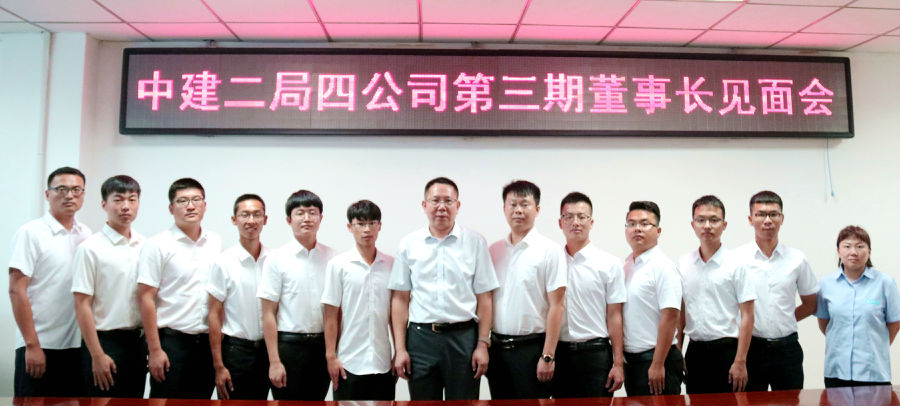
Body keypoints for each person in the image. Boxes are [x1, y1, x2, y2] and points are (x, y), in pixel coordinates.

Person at [388, 177, 499, 400]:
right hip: (421, 339)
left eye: (448, 201)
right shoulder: (409, 244)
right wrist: (400, 349)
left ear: (458, 205)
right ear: (424, 205)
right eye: (435, 200)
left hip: (463, 338)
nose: (441, 207)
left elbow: (485, 297)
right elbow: (400, 299)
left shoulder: (475, 242)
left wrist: (482, 344)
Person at [9, 167, 92, 397]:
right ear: (48, 194)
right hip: (39, 346)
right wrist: (31, 345)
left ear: (83, 194)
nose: (69, 195)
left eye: (76, 190)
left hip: (76, 346)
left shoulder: (86, 234)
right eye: (61, 189)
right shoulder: (30, 233)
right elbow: (16, 290)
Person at [137, 177, 223, 399]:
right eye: (183, 201)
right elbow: (145, 298)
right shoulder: (157, 245)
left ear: (205, 205)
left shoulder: (215, 242)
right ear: (171, 208)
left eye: (196, 200)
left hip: (206, 344)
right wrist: (154, 350)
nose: (190, 206)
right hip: (172, 343)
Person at [487, 180, 566, 399]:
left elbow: (557, 306)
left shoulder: (550, 250)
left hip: (532, 350)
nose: (518, 210)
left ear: (537, 209)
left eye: (524, 204)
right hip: (498, 350)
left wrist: (548, 355)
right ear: (504, 208)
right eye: (512, 204)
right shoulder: (493, 250)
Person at [734, 190, 818, 391]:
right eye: (761, 214)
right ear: (750, 219)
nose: (767, 220)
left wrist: (784, 318)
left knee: (790, 401)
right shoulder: (737, 258)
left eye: (773, 214)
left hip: (787, 349)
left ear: (782, 218)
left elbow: (811, 304)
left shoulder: (797, 259)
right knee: (748, 402)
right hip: (750, 348)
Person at [72, 175, 146, 397]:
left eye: (132, 199)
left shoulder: (145, 245)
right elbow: (82, 304)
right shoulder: (90, 248)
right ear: (104, 204)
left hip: (137, 343)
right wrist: (96, 355)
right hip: (104, 343)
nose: (126, 206)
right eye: (118, 199)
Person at [257, 190, 335, 400]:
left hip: (322, 347)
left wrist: (333, 353)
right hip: (288, 347)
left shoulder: (333, 258)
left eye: (312, 212)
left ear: (321, 218)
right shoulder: (276, 259)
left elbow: (335, 311)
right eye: (300, 213)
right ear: (289, 220)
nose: (307, 218)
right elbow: (268, 313)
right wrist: (274, 361)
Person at [676, 195, 755, 394]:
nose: (707, 226)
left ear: (724, 224)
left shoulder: (737, 263)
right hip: (695, 351)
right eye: (701, 220)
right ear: (693, 225)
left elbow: (748, 315)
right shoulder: (684, 264)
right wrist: (678, 350)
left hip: (727, 351)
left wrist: (740, 361)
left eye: (714, 220)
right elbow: (681, 313)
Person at [321, 200, 396, 400]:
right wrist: (331, 356)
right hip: (349, 362)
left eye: (372, 223)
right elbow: (330, 315)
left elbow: (395, 315)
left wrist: (399, 351)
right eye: (360, 224)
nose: (367, 229)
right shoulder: (338, 265)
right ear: (350, 227)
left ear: (379, 226)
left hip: (382, 362)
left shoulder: (391, 264)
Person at [553, 192, 625, 398]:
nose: (575, 222)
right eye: (569, 217)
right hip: (560, 354)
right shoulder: (552, 261)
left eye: (582, 217)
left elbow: (614, 315)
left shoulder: (609, 263)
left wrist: (618, 363)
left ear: (591, 222)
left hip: (596, 354)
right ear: (560, 223)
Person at [816, 225, 900, 388]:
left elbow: (894, 324)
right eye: (847, 246)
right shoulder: (826, 284)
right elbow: (825, 323)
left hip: (873, 370)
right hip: (836, 370)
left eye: (860, 246)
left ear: (869, 251)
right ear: (838, 251)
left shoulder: (885, 283)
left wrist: (875, 345)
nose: (853, 252)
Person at [207, 194, 271, 400]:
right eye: (245, 215)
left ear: (265, 219)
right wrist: (218, 366)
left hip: (270, 351)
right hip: (236, 352)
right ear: (234, 220)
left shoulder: (274, 261)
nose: (251, 220)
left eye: (257, 215)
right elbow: (214, 315)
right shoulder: (223, 262)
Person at [622, 201, 683, 396]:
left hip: (656, 360)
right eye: (632, 224)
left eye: (645, 223)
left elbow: (671, 316)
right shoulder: (627, 265)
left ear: (658, 231)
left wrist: (657, 363)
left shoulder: (663, 266)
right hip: (632, 361)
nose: (637, 229)